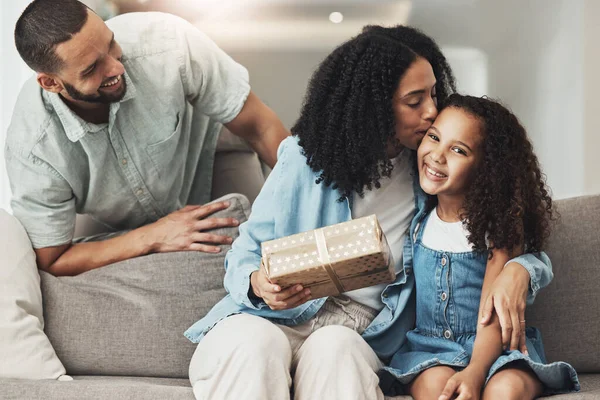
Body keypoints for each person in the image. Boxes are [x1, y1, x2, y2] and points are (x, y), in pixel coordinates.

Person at [184, 25, 553, 400]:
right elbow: (245, 252)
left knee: (336, 352)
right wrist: (257, 284)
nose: (432, 111)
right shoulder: (302, 157)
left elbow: (503, 222)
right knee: (254, 345)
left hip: (358, 329)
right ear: (375, 106)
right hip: (270, 318)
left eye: (433, 94)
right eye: (414, 101)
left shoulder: (432, 171)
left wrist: (520, 269)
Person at [5, 0, 289, 276]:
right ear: (51, 83)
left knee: (262, 251)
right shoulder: (33, 148)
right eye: (92, 69)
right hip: (112, 218)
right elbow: (51, 258)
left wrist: (315, 200)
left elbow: (260, 127)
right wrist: (152, 237)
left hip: (209, 155)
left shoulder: (168, 43)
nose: (116, 68)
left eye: (110, 44)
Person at [380, 94, 579, 399]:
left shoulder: (497, 229)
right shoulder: (418, 220)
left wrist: (475, 371)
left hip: (495, 350)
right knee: (437, 387)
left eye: (458, 150)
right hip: (431, 350)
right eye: (434, 137)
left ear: (486, 169)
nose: (437, 155)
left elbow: (492, 312)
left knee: (505, 388)